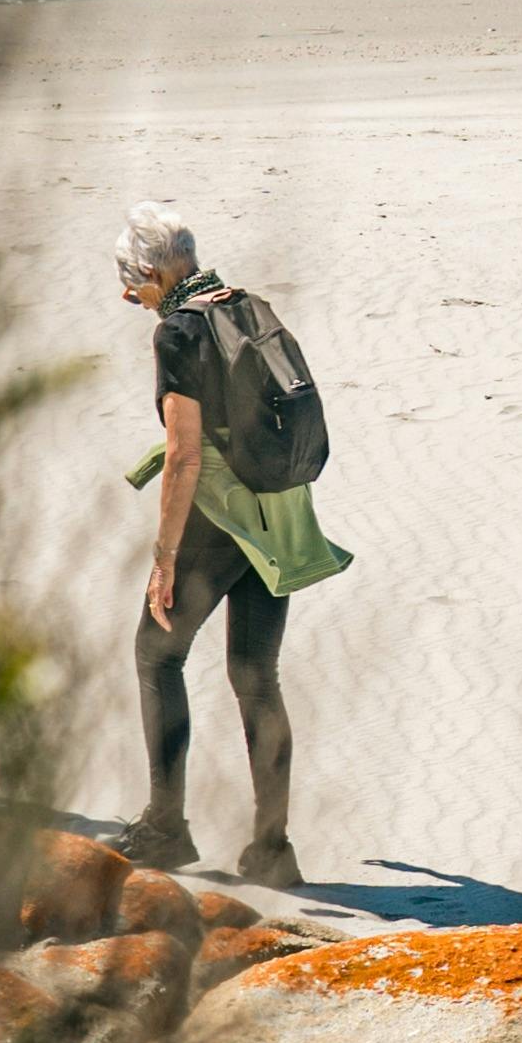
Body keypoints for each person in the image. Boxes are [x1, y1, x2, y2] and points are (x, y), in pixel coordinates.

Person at [111, 202, 342, 882]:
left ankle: (164, 827)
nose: (131, 297)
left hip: (222, 519)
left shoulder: (180, 333)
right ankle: (273, 849)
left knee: (156, 655)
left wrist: (163, 559)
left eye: (134, 284)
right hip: (282, 508)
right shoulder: (244, 303)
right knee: (255, 675)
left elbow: (183, 457)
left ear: (155, 273)